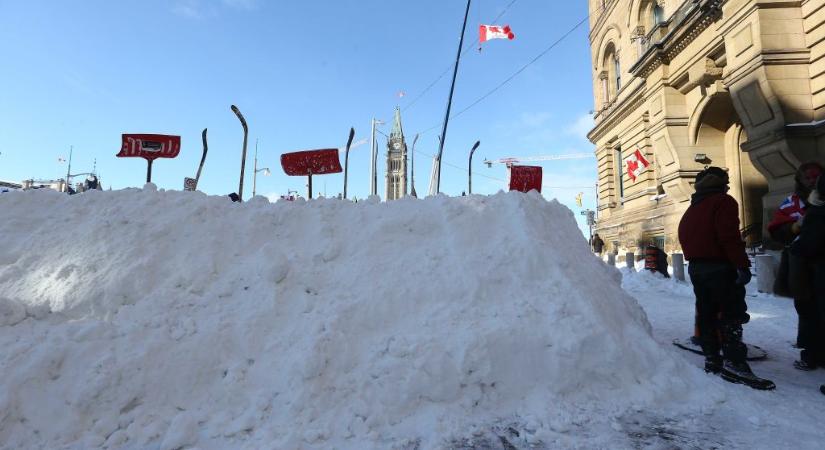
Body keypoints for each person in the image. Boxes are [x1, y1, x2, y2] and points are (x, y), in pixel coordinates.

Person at [678, 166, 775, 390]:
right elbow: (729, 236)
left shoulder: (693, 207)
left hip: (697, 267)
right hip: (719, 267)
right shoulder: (723, 202)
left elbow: (685, 235)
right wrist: (741, 264)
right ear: (722, 183)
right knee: (731, 314)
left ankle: (712, 358)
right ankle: (734, 362)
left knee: (706, 313)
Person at [768, 162, 824, 370]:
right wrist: (794, 227)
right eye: (808, 178)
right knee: (806, 309)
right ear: (800, 180)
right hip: (801, 265)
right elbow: (776, 230)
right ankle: (810, 353)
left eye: (815, 177)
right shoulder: (792, 202)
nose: (812, 181)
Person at [790, 175, 825, 381]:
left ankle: (812, 355)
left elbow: (808, 246)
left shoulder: (817, 212)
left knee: (812, 313)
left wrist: (796, 245)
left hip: (817, 272)